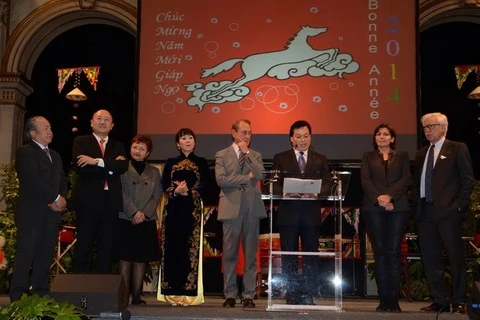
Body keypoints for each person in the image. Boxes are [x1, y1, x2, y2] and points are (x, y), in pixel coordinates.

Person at [413, 112, 474, 314]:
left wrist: (458, 205)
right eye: (425, 127)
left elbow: (467, 180)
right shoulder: (421, 153)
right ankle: (439, 299)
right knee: (430, 259)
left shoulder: (457, 148)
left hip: (449, 213)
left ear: (443, 127)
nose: (427, 131)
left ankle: (459, 300)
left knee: (455, 257)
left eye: (431, 126)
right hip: (425, 213)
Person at [272, 120, 331, 305]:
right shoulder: (280, 158)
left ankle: (307, 293)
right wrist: (287, 191)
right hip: (289, 214)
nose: (303, 140)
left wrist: (316, 192)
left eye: (306, 136)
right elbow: (273, 184)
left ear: (311, 137)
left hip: (311, 214)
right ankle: (291, 293)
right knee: (288, 255)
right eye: (298, 136)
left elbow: (328, 184)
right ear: (292, 139)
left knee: (310, 256)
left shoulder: (320, 159)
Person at [9, 116, 67, 301]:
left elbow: (63, 181)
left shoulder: (56, 155)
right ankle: (18, 295)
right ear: (32, 132)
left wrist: (62, 199)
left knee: (45, 255)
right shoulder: (25, 152)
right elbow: (32, 181)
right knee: (26, 254)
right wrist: (55, 197)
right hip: (32, 214)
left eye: (50, 127)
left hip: (51, 214)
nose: (50, 131)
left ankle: (41, 292)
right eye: (45, 128)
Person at [215, 119, 265, 309]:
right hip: (231, 208)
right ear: (233, 133)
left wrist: (247, 153)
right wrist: (246, 178)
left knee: (251, 254)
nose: (247, 136)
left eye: (250, 133)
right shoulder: (221, 155)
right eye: (244, 132)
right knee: (230, 254)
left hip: (252, 209)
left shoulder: (255, 155)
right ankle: (230, 294)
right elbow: (221, 180)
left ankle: (248, 295)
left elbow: (259, 174)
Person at [360, 123, 410, 312]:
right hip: (373, 208)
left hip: (398, 208)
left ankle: (394, 300)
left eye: (386, 134)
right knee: (380, 252)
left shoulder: (403, 155)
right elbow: (366, 180)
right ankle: (384, 299)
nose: (381, 137)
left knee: (393, 251)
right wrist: (379, 199)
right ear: (375, 138)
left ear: (392, 138)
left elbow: (405, 179)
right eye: (378, 134)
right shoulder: (367, 156)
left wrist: (390, 197)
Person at [71, 109, 128, 273]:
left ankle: (102, 286)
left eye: (107, 119)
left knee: (106, 245)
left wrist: (95, 161)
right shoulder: (81, 142)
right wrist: (110, 166)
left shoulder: (118, 146)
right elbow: (82, 168)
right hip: (87, 201)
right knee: (84, 243)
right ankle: (80, 286)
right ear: (91, 122)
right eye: (99, 118)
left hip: (110, 202)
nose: (102, 122)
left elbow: (122, 167)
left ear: (112, 125)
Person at [158, 128, 209, 306]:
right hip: (172, 210)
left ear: (194, 142)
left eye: (190, 138)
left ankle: (189, 293)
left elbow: (205, 184)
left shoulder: (201, 162)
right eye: (183, 138)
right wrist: (175, 190)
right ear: (177, 144)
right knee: (172, 248)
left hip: (192, 210)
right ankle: (172, 292)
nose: (187, 141)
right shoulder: (170, 162)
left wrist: (188, 191)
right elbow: (164, 183)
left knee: (190, 250)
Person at [118, 135, 161, 305]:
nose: (138, 151)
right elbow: (120, 192)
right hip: (126, 218)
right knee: (125, 258)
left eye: (142, 149)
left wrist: (144, 214)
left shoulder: (155, 172)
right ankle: (122, 296)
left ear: (147, 153)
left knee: (140, 258)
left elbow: (157, 195)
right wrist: (134, 212)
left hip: (146, 220)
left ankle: (136, 295)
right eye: (135, 147)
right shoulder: (122, 167)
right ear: (130, 148)